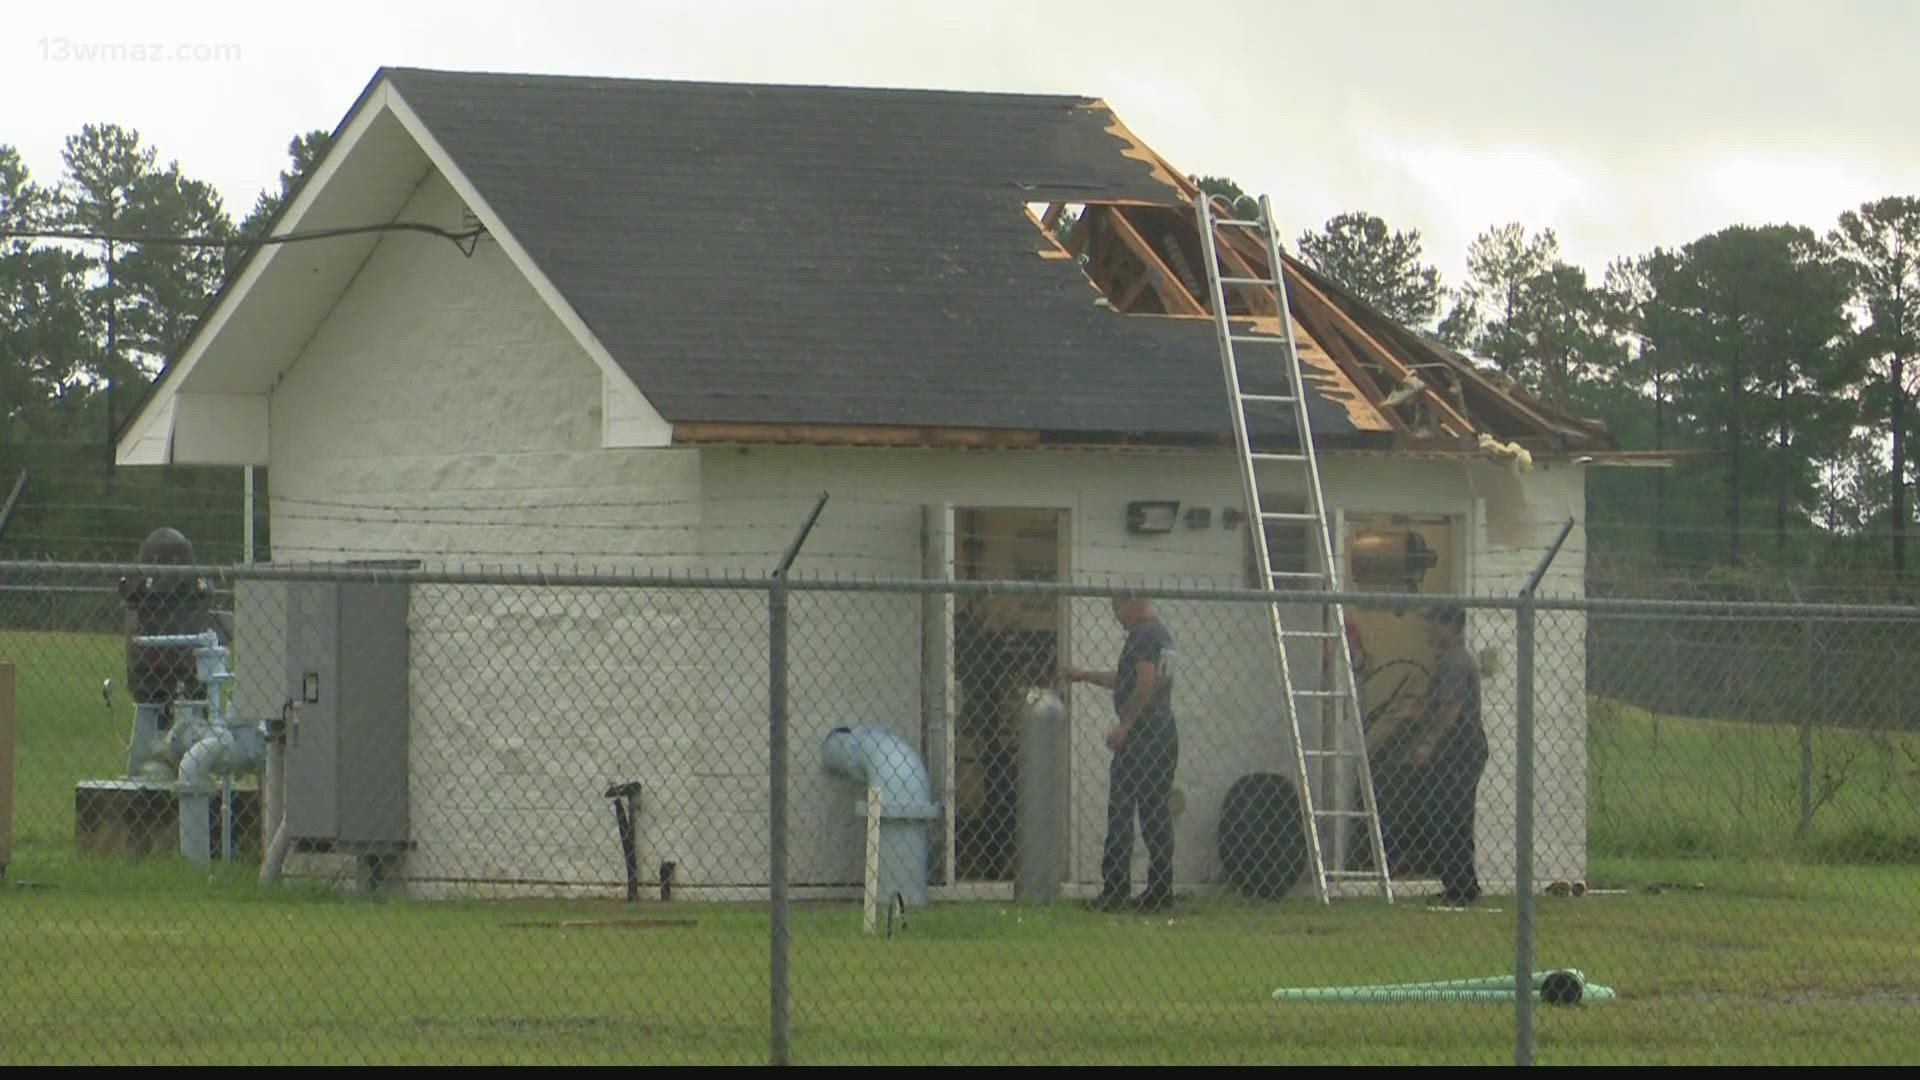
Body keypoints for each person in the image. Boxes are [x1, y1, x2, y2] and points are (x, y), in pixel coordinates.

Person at [1062, 591, 1178, 913]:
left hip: (1142, 737)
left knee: (1122, 811)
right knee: (1155, 813)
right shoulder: (1160, 634)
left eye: (1117, 608)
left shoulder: (1143, 635)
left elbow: (1145, 683)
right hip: (1164, 733)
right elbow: (1127, 679)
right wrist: (1084, 675)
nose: (1116, 616)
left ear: (1133, 602)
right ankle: (1160, 891)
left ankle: (1114, 891)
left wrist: (1125, 724)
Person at [1398, 602, 1487, 905]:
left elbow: (1452, 709)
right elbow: (1434, 699)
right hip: (1453, 750)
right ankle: (1456, 883)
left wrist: (1428, 743)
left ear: (1451, 627)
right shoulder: (1446, 660)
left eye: (1435, 624)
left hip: (1459, 750)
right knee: (1443, 816)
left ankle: (1462, 888)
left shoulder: (1456, 662)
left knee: (1452, 816)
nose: (1430, 630)